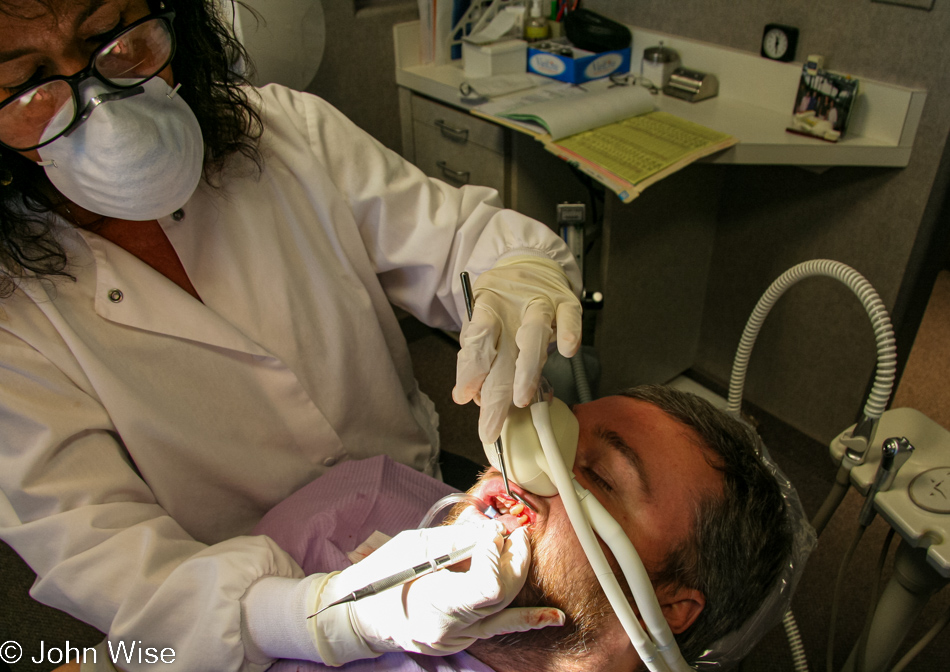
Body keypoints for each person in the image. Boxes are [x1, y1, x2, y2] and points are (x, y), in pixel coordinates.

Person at [0, 0, 582, 669]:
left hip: (423, 509)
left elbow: (460, 241)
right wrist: (326, 619)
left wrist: (515, 269)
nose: (100, 101)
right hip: (240, 621)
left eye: (114, 37)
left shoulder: (286, 130)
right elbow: (111, 562)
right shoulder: (11, 321)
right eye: (26, 81)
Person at [231, 385, 797, 672]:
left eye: (598, 475)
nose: (529, 464)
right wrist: (316, 616)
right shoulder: (350, 511)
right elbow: (150, 642)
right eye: (559, 434)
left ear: (667, 607)